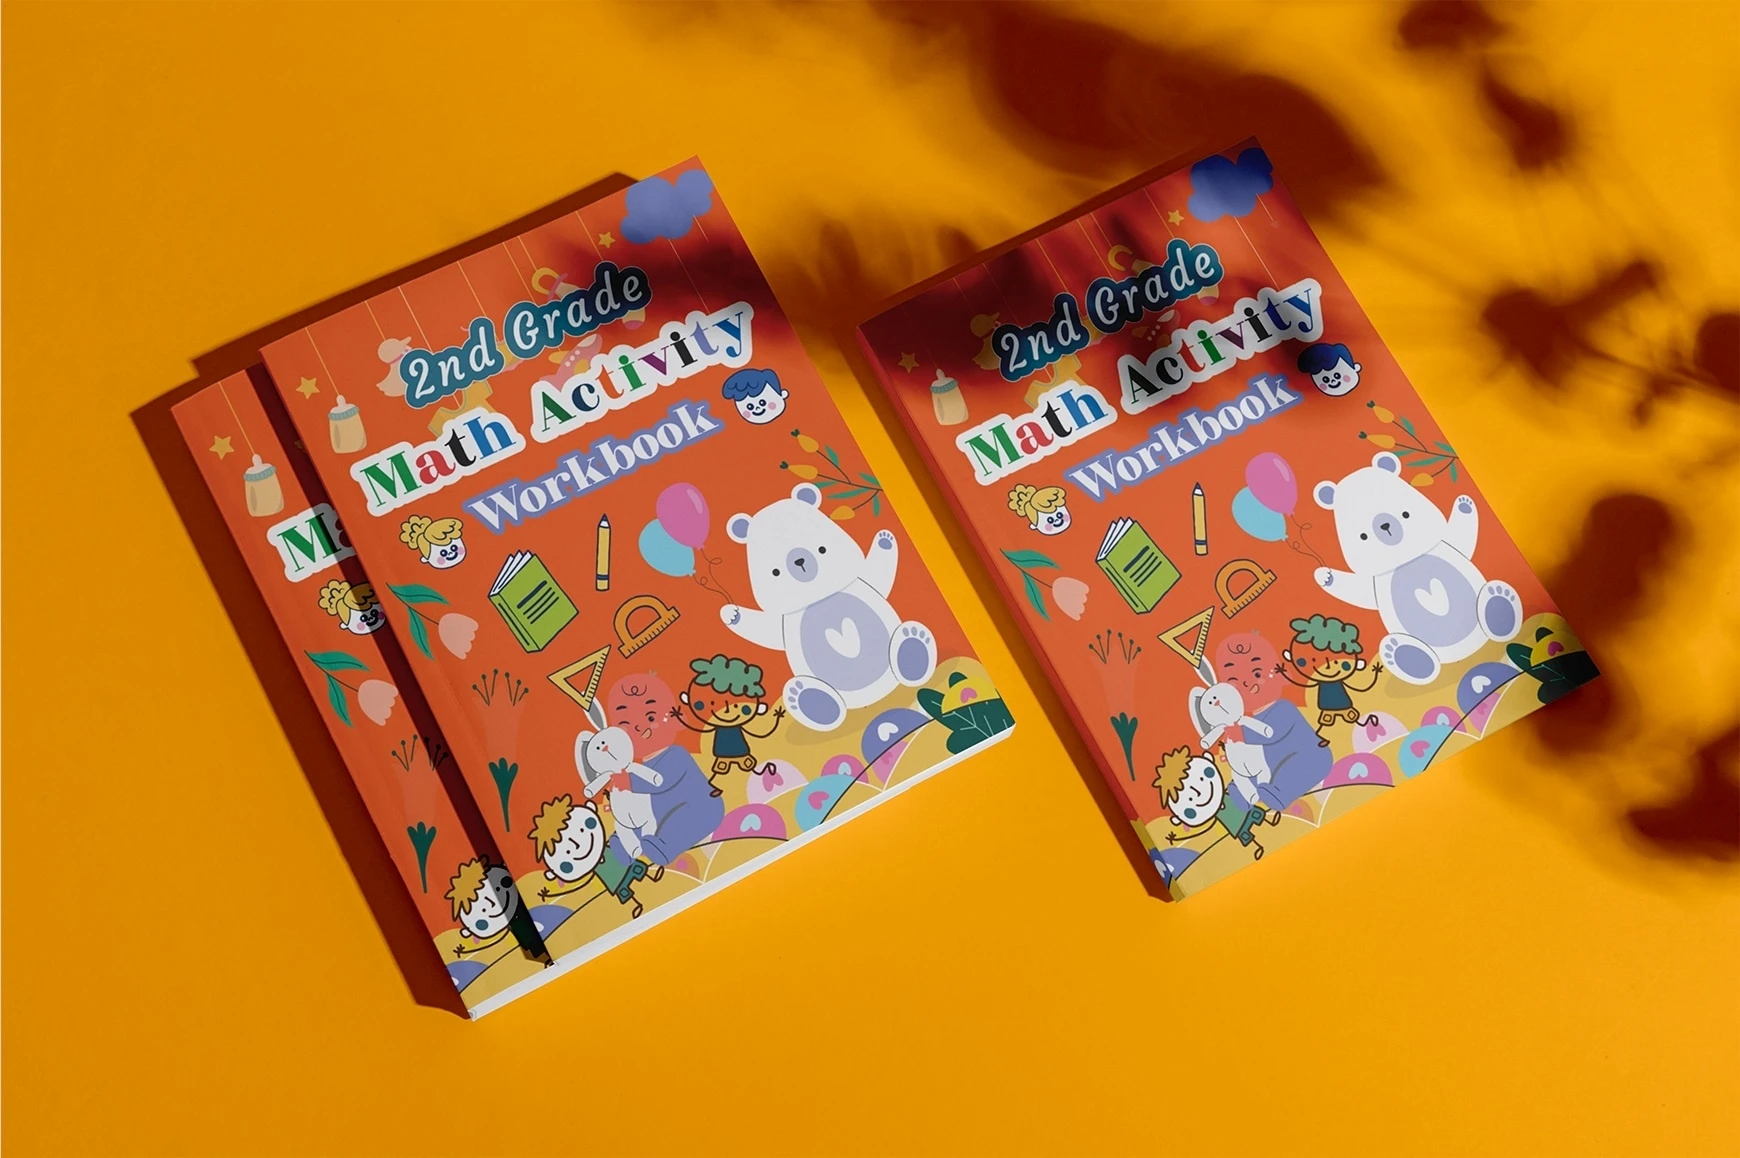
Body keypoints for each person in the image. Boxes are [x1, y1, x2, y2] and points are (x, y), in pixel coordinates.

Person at [602, 673, 724, 866]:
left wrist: (630, 782)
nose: (638, 727)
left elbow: (660, 780)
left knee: (678, 824)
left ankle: (665, 847)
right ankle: (625, 845)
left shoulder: (676, 755)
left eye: (651, 717)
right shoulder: (637, 768)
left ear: (677, 720)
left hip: (697, 809)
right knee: (643, 821)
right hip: (660, 813)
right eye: (625, 725)